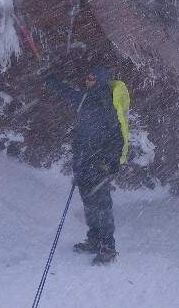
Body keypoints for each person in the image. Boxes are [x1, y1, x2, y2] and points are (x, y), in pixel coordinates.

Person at [44, 67, 129, 265]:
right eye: (88, 78)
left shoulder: (106, 103)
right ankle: (94, 240)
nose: (88, 81)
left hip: (98, 165)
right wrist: (51, 80)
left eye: (92, 78)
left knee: (102, 205)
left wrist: (110, 162)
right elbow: (69, 95)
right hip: (84, 162)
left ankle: (108, 248)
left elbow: (116, 136)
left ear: (100, 80)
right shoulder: (87, 99)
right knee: (89, 203)